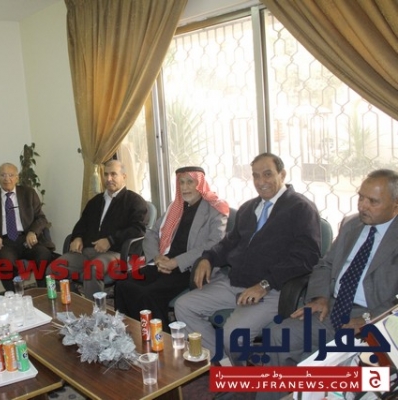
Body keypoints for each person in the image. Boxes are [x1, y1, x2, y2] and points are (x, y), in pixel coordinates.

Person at [255, 169, 398, 400]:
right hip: (332, 307)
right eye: (361, 197)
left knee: (320, 368)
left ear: (395, 205)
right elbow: (325, 264)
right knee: (276, 336)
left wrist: (368, 320)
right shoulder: (352, 225)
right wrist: (320, 297)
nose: (363, 206)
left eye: (373, 201)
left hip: (373, 319)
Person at [174, 153, 321, 364]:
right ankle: (224, 362)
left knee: (234, 335)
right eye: (256, 176)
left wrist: (265, 284)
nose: (261, 182)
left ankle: (238, 375)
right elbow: (228, 243)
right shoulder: (249, 208)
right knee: (184, 306)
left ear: (282, 174)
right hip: (235, 282)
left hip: (272, 289)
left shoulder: (301, 208)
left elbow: (307, 257)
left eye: (267, 174)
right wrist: (208, 258)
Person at [115, 166, 229, 328]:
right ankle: (128, 331)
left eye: (190, 182)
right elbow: (152, 233)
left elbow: (214, 244)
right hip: (164, 262)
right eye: (181, 182)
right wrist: (157, 257)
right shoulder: (175, 207)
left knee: (147, 294)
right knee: (123, 284)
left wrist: (176, 262)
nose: (185, 187)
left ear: (200, 184)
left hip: (190, 268)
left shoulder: (216, 208)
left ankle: (161, 337)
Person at [48, 160, 148, 298]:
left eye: (113, 174)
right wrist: (77, 237)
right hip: (86, 251)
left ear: (124, 176)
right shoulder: (95, 201)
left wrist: (110, 240)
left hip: (115, 253)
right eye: (106, 174)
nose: (109, 178)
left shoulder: (134, 201)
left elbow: (138, 229)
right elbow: (82, 223)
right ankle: (74, 301)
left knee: (93, 270)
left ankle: (95, 309)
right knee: (53, 269)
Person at [0, 162, 55, 291]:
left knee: (43, 254)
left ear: (17, 178)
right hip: (4, 242)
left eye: (11, 175)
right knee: (6, 264)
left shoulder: (29, 193)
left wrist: (33, 232)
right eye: (3, 175)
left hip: (26, 238)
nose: (7, 179)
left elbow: (41, 218)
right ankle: (15, 295)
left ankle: (43, 291)